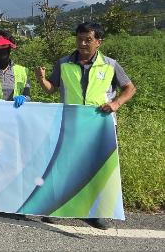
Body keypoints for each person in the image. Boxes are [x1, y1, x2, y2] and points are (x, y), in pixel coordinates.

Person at [35, 22, 137, 230]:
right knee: (64, 167)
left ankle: (95, 213)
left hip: (100, 124)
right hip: (71, 122)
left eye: (88, 40)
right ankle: (59, 209)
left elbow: (129, 88)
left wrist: (115, 103)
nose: (82, 43)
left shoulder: (110, 65)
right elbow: (51, 90)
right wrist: (42, 79)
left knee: (97, 169)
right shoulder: (63, 63)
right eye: (79, 39)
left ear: (98, 42)